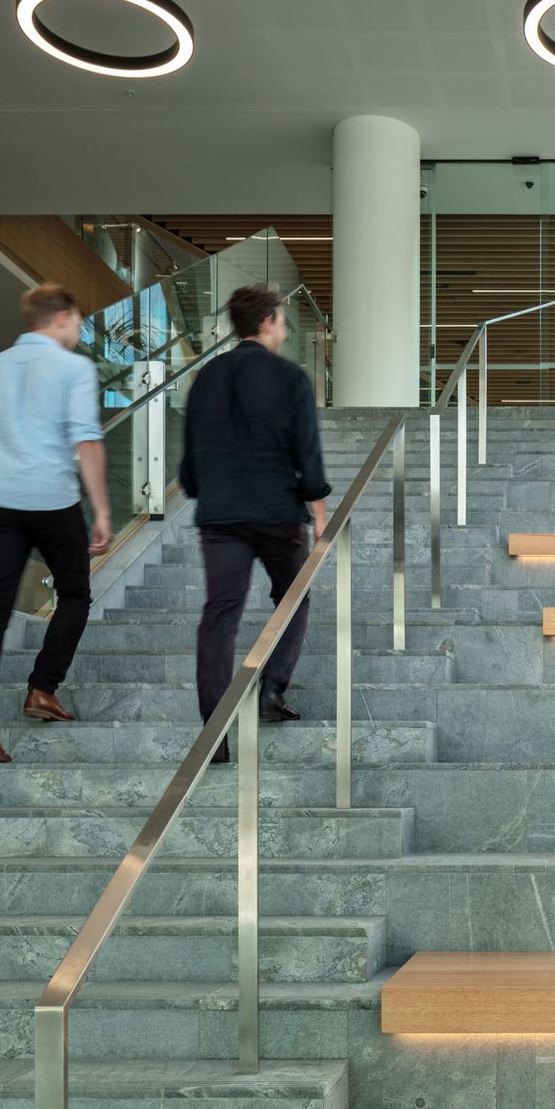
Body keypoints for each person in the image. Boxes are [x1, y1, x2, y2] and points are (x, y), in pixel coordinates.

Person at [0, 284, 113, 764]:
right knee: (75, 593)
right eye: (80, 320)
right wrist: (102, 510)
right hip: (53, 499)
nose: (80, 329)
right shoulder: (74, 369)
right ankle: (43, 689)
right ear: (63, 316)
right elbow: (86, 442)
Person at [181, 285, 331, 764]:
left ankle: (214, 733)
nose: (285, 330)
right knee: (293, 596)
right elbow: (305, 449)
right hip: (277, 512)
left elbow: (188, 466)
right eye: (283, 321)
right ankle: (271, 689)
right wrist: (320, 509)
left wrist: (210, 490)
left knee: (220, 614)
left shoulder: (205, 377)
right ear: (266, 321)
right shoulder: (289, 376)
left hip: (220, 515)